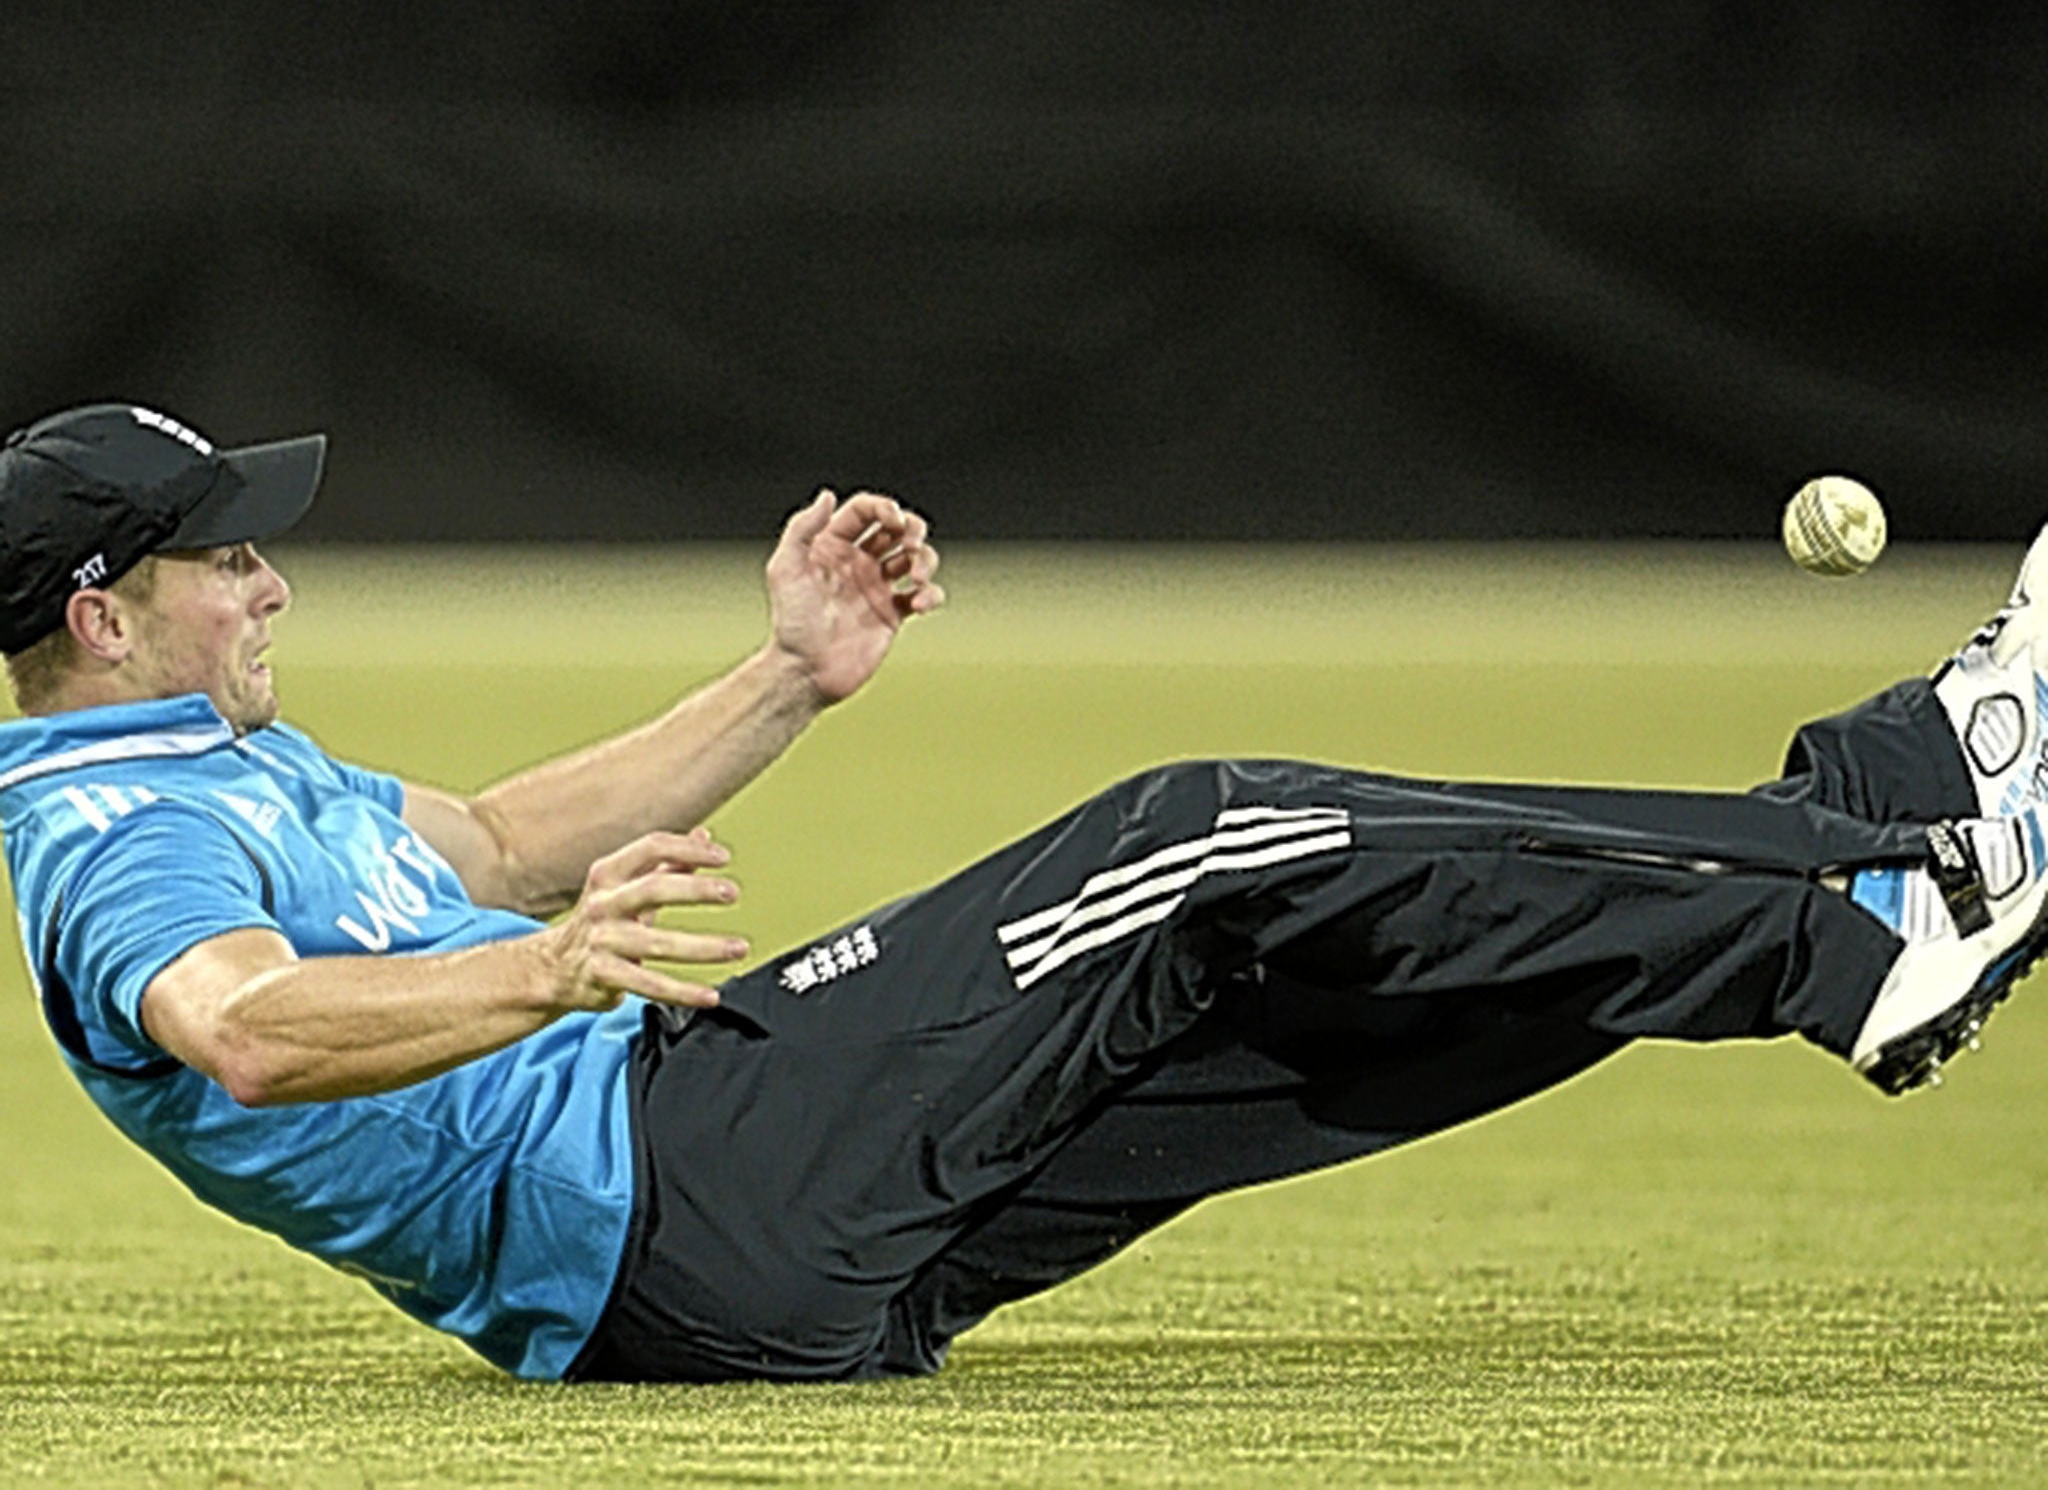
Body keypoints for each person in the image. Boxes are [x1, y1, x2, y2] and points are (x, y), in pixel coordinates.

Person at [2, 402, 2043, 1385]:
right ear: (100, 615)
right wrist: (540, 985)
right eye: (222, 558)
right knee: (1197, 828)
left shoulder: (218, 759)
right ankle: (1864, 846)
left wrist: (786, 675)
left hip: (708, 1231)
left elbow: (502, 840)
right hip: (672, 1175)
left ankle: (1860, 922)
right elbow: (246, 1032)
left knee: (1274, 973)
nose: (271, 580)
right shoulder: (117, 838)